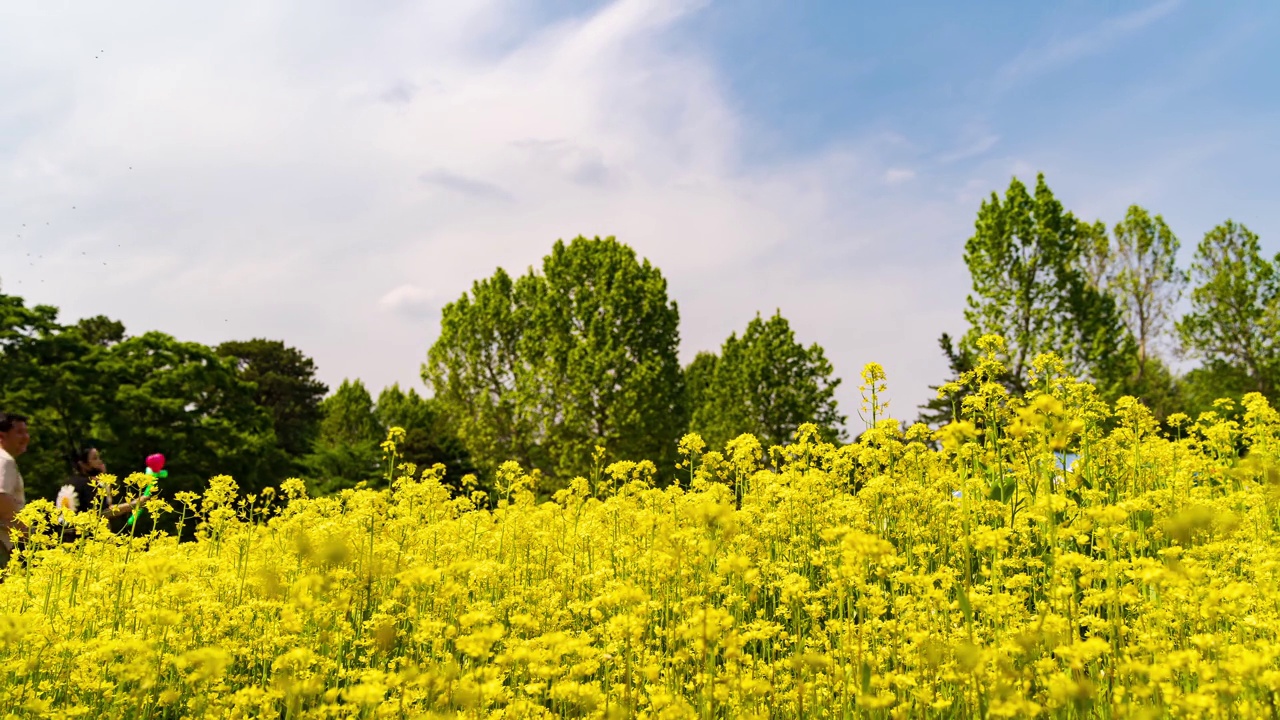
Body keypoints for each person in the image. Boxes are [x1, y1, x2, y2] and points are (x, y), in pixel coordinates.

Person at [57, 446, 149, 542]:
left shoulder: (68, 483)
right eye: (95, 458)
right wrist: (135, 504)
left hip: (65, 540)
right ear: (83, 464)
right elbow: (103, 512)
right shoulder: (89, 485)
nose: (100, 461)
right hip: (86, 541)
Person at [0, 411, 30, 569]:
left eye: (26, 432)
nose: (26, 437)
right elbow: (1, 497)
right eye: (19, 432)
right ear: (1, 436)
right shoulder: (4, 460)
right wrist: (27, 533)